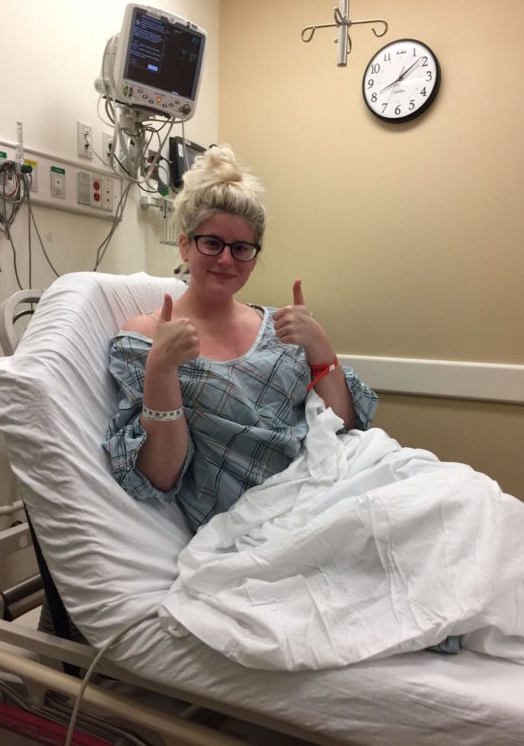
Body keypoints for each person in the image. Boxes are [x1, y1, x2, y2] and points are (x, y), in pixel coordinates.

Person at [104, 144, 378, 533]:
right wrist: (161, 370)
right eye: (212, 243)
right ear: (185, 244)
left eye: (241, 248)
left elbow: (344, 427)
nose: (227, 260)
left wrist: (319, 345)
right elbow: (159, 476)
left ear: (254, 254)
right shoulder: (147, 338)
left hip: (327, 492)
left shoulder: (280, 328)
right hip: (251, 528)